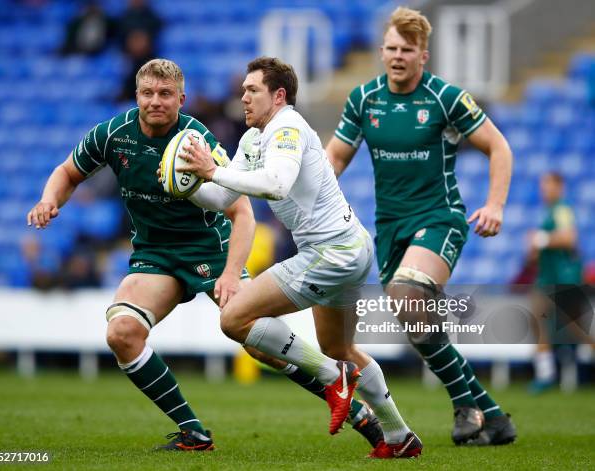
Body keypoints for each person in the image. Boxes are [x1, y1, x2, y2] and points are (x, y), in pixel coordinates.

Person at [27, 58, 382, 452]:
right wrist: (48, 200)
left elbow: (241, 212)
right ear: (136, 96)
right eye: (147, 93)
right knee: (122, 333)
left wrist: (231, 274)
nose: (155, 102)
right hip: (155, 255)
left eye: (165, 94)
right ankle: (193, 432)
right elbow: (68, 172)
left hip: (210, 251)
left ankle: (354, 409)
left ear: (182, 98)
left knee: (256, 340)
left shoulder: (196, 140)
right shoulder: (114, 133)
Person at [178, 56, 422, 459]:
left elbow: (276, 185)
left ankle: (333, 379)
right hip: (348, 248)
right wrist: (184, 183)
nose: (243, 97)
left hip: (332, 252)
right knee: (340, 347)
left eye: (252, 90)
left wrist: (211, 170)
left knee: (234, 317)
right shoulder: (254, 138)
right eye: (242, 90)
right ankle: (399, 437)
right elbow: (221, 197)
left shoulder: (287, 125)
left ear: (279, 95)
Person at [325, 7, 516, 446]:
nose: (397, 56)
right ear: (381, 51)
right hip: (390, 227)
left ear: (423, 56)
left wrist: (496, 205)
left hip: (439, 218)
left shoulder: (445, 98)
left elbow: (499, 146)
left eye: (406, 50)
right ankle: (490, 414)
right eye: (391, 48)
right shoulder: (364, 99)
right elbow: (334, 157)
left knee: (408, 295)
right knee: (416, 320)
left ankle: (463, 407)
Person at [528, 172, 591, 393]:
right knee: (537, 319)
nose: (544, 190)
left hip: (564, 278)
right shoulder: (549, 211)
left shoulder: (562, 209)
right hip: (547, 278)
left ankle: (546, 374)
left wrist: (541, 239)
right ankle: (545, 373)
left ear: (559, 186)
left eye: (548, 185)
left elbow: (569, 238)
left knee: (576, 329)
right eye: (542, 185)